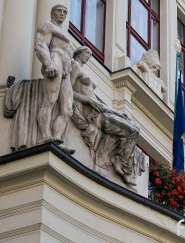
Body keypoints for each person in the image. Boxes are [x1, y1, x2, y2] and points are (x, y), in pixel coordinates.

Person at [70, 46, 140, 185]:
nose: (89, 56)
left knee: (135, 126)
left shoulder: (82, 69)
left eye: (90, 54)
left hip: (98, 109)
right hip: (91, 114)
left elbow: (95, 99)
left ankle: (120, 160)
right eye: (87, 53)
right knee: (132, 130)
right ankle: (121, 163)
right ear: (79, 53)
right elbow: (67, 90)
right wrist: (88, 100)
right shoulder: (74, 65)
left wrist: (117, 112)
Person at [34, 4, 74, 153]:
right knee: (50, 100)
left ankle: (57, 138)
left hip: (66, 70)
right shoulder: (47, 26)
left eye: (65, 12)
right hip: (55, 59)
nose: (62, 14)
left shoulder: (64, 34)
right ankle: (45, 135)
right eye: (59, 11)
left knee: (67, 109)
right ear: (52, 12)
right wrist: (48, 63)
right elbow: (40, 45)